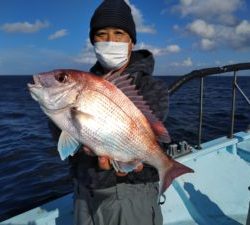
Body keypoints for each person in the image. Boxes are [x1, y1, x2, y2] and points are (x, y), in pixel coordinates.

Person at [49, 0, 169, 224]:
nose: (110, 40)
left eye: (119, 33)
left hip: (130, 194)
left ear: (131, 42)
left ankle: (167, 168)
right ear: (93, 41)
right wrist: (55, 109)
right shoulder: (83, 83)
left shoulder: (152, 88)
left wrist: (133, 164)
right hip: (84, 191)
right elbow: (64, 136)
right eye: (101, 34)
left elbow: (148, 134)